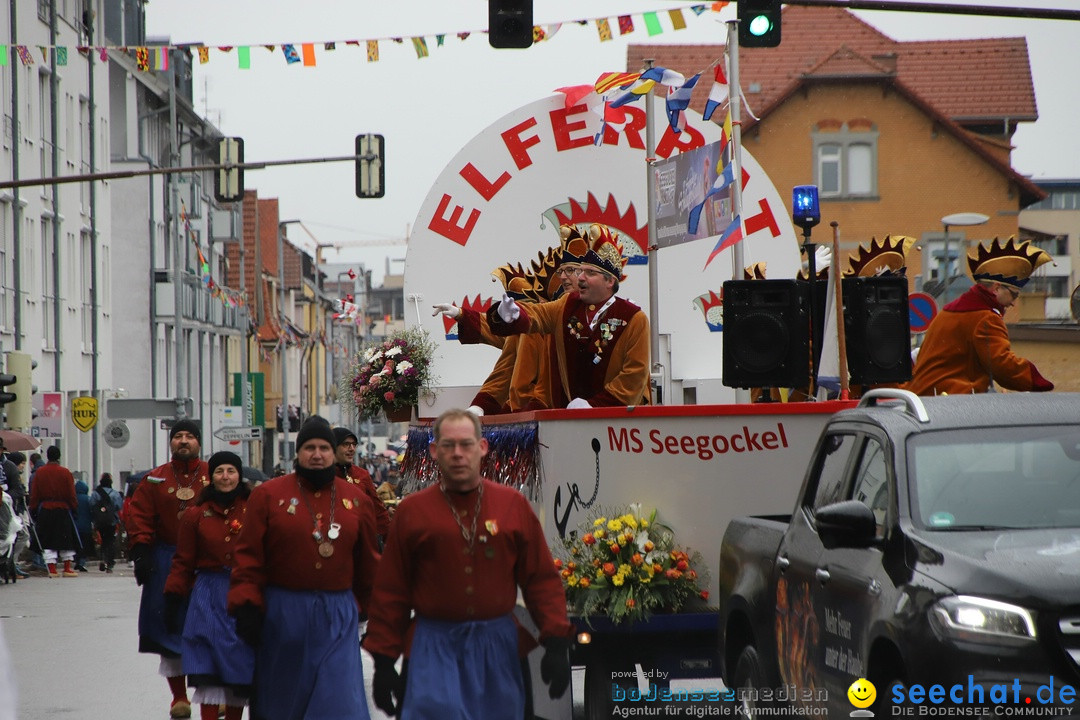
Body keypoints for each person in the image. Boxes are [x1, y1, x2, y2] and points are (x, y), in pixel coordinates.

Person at [363, 408, 573, 718]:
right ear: (434, 451)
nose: (458, 454)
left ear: (482, 448)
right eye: (448, 445)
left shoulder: (512, 505)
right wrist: (383, 660)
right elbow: (391, 590)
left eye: (466, 444)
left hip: (498, 648)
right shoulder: (412, 511)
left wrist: (555, 640)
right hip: (431, 649)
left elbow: (540, 578)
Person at [227, 417, 380, 720]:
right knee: (285, 701)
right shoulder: (268, 496)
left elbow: (368, 561)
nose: (317, 454)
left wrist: (367, 607)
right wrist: (246, 604)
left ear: (333, 453)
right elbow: (248, 557)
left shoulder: (357, 500)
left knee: (338, 701)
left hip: (338, 613)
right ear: (298, 453)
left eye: (324, 447)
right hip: (283, 612)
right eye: (309, 447)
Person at [126, 419, 210, 719]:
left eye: (189, 436)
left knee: (211, 629)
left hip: (207, 562)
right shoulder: (154, 480)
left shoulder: (215, 476)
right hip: (166, 561)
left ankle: (215, 695)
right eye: (178, 436)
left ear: (199, 442)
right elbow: (139, 516)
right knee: (169, 628)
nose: (183, 441)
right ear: (171, 442)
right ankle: (179, 697)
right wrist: (142, 551)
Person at [164, 451, 254, 720]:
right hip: (208, 594)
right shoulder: (196, 515)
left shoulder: (255, 511)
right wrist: (172, 595)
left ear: (239, 475)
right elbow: (183, 560)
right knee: (209, 667)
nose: (225, 477)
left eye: (230, 471)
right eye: (219, 471)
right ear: (211, 477)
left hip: (243, 592)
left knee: (238, 665)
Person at [907, 236, 1054, 396]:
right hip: (953, 402)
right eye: (1014, 295)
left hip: (928, 399)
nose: (1013, 303)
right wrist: (1037, 381)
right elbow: (1001, 365)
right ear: (997, 288)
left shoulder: (948, 312)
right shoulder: (986, 318)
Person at [26, 446, 79, 578]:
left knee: (48, 539)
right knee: (66, 539)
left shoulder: (40, 472)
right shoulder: (65, 472)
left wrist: (33, 509)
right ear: (59, 456)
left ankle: (52, 569)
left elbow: (35, 494)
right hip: (63, 509)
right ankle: (67, 568)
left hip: (46, 510)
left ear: (47, 456)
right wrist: (74, 507)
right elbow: (71, 493)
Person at [332, 427, 391, 540]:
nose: (352, 449)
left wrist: (390, 540)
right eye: (346, 444)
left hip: (359, 540)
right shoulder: (324, 475)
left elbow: (377, 510)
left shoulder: (362, 474)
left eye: (354, 444)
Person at [92, 473, 123, 573]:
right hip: (112, 521)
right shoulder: (115, 494)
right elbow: (119, 506)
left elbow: (92, 505)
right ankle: (109, 562)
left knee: (103, 540)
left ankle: (102, 558)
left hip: (100, 521)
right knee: (110, 541)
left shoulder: (96, 493)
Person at [73, 479, 93, 572]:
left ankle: (76, 561)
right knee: (85, 545)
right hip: (86, 526)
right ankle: (82, 562)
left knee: (76, 545)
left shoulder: (73, 498)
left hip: (75, 526)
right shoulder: (88, 499)